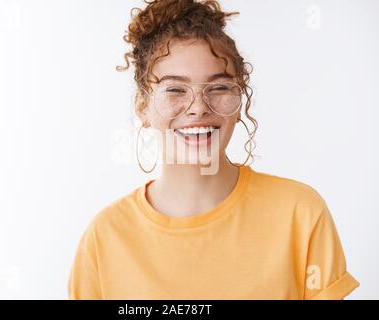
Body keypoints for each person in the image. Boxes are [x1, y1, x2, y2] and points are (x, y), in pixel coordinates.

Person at [68, 0, 360, 299]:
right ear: (143, 106)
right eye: (175, 90)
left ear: (240, 97)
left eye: (219, 88)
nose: (198, 108)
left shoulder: (300, 212)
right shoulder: (105, 238)